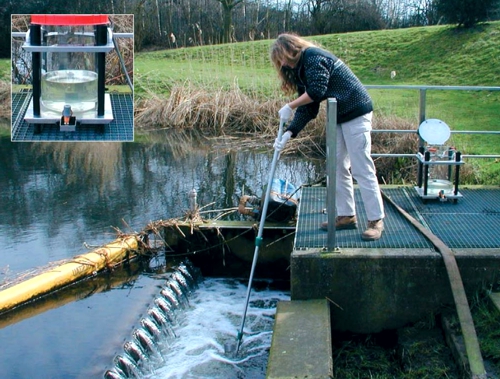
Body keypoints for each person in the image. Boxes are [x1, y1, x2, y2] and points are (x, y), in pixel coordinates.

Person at [270, 33, 385, 241]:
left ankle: (376, 220)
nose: (284, 64)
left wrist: (290, 105)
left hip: (357, 111)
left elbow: (316, 91)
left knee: (361, 167)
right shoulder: (301, 70)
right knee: (336, 165)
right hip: (338, 116)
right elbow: (309, 108)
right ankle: (346, 215)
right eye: (280, 62)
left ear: (291, 49)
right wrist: (289, 132)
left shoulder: (313, 57)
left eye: (284, 58)